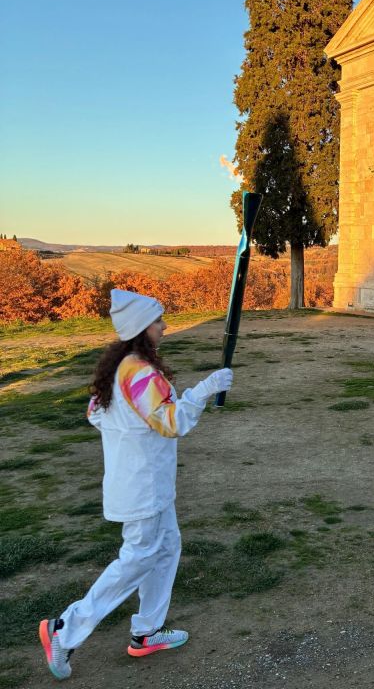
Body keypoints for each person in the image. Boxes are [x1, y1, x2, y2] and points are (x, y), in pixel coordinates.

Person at [39, 289, 233, 681]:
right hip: (143, 486)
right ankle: (67, 628)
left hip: (147, 483)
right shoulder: (139, 371)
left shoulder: (120, 367)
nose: (164, 325)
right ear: (141, 328)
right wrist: (205, 389)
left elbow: (97, 414)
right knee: (139, 558)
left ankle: (146, 632)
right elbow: (171, 422)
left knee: (166, 549)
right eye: (158, 320)